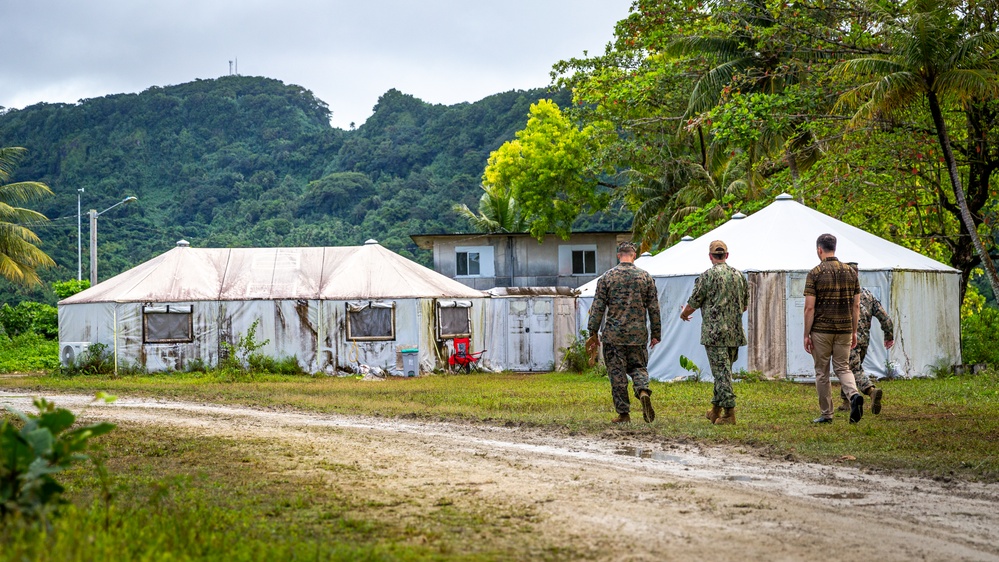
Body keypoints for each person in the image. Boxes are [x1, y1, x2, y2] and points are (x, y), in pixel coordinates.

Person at [587, 241, 661, 423]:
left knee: (617, 374)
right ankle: (643, 390)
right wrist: (656, 333)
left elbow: (597, 307)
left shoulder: (607, 278)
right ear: (634, 255)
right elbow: (654, 308)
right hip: (638, 335)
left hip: (614, 336)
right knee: (638, 368)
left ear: (618, 255)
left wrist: (593, 332)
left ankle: (624, 414)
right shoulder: (645, 277)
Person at [680, 240, 748, 425]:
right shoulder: (739, 276)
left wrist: (684, 314)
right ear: (727, 255)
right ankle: (715, 410)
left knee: (722, 374)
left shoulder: (707, 276)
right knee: (724, 373)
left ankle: (729, 414)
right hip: (734, 333)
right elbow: (745, 305)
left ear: (711, 256)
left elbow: (694, 302)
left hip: (715, 333)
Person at [804, 233, 864, 424]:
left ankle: (827, 414)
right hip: (845, 329)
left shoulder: (815, 273)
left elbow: (809, 307)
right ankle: (854, 395)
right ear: (835, 248)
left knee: (822, 371)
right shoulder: (851, 273)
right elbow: (856, 306)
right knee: (843, 367)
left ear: (819, 250)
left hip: (822, 330)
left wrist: (806, 334)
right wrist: (854, 330)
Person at [836, 262, 895, 415]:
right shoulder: (868, 295)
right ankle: (846, 402)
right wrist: (889, 335)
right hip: (864, 341)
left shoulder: (841, 294)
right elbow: (885, 318)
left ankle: (871, 391)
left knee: (851, 370)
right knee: (849, 368)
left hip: (848, 339)